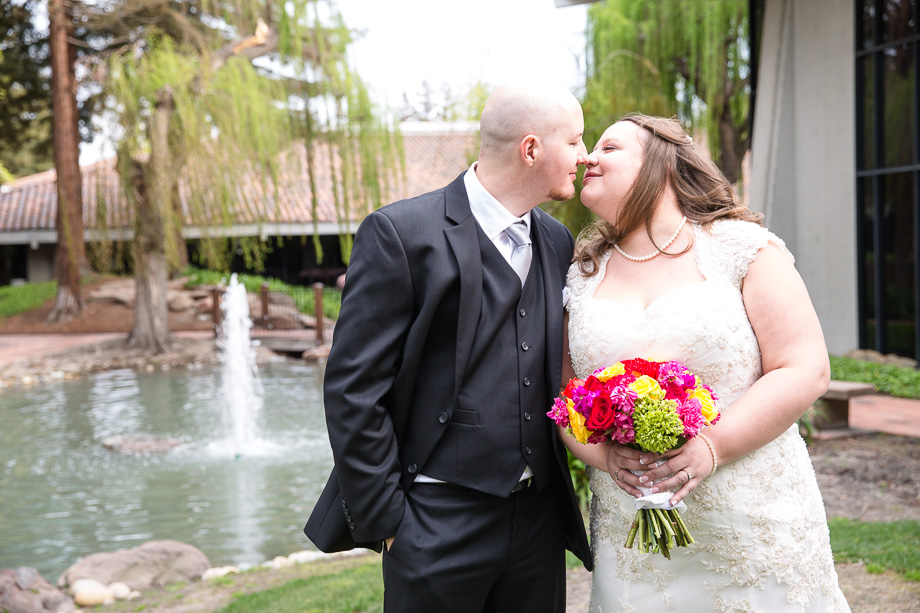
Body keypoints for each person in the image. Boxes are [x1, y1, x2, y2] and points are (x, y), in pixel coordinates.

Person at [304, 83, 593, 612]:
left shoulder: (557, 242)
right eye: (574, 141)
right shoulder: (401, 233)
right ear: (531, 150)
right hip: (434, 519)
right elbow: (353, 390)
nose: (586, 155)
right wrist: (389, 521)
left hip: (538, 522)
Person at [560, 113, 851, 611]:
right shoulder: (582, 276)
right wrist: (603, 456)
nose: (588, 156)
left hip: (752, 522)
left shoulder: (740, 248)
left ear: (664, 163)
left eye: (609, 147)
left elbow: (806, 367)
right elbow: (565, 401)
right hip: (632, 539)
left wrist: (711, 446)